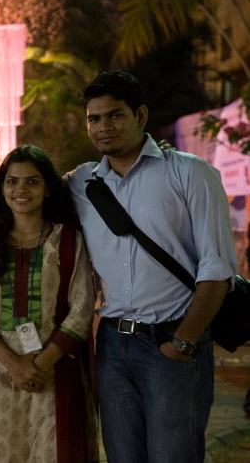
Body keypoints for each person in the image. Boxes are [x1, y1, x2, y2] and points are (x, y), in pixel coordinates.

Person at [67, 71, 237, 463]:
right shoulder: (82, 183)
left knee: (173, 455)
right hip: (112, 346)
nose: (104, 127)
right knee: (121, 455)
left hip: (173, 340)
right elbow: (23, 189)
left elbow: (217, 267)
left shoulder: (190, 172)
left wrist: (183, 342)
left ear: (140, 115)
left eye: (115, 115)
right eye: (94, 119)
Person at [0, 145, 98, 462]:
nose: (20, 189)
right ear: (2, 188)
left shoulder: (67, 240)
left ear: (48, 189)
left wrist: (37, 367)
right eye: (12, 181)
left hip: (52, 375)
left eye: (32, 181)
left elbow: (80, 311)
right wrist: (15, 366)